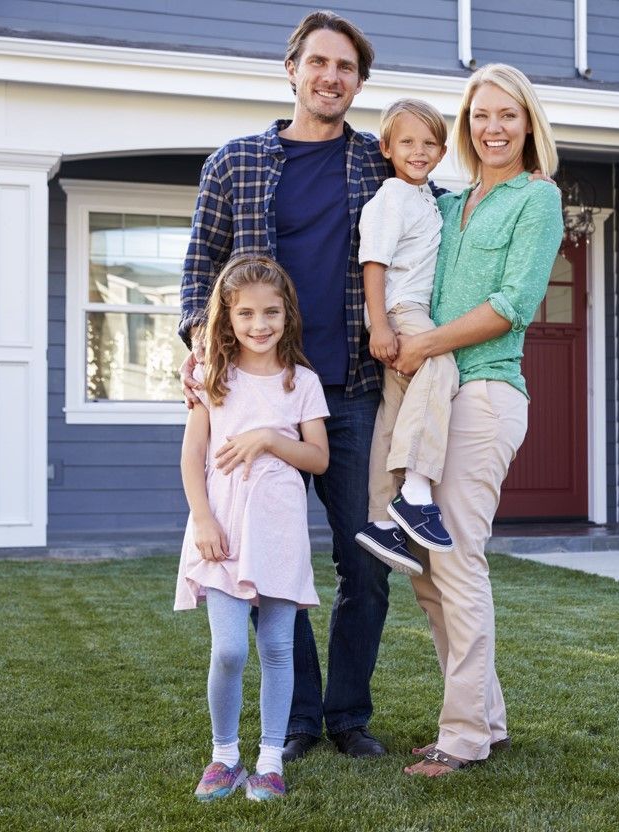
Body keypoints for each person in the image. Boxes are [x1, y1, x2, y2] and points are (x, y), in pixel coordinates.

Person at [179, 10, 395, 761]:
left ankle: (348, 715)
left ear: (359, 82)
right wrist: (197, 350)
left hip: (355, 388)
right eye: (319, 63)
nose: (331, 77)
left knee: (363, 559)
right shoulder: (234, 163)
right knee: (275, 558)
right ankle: (297, 718)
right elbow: (198, 274)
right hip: (259, 391)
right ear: (292, 69)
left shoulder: (378, 165)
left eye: (346, 68)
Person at [390, 64, 564, 777]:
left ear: (529, 124)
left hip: (486, 395)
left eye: (508, 115)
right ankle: (486, 720)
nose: (493, 128)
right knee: (429, 572)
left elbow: (511, 305)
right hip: (436, 397)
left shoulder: (538, 198)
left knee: (457, 560)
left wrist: (423, 343)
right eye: (481, 115)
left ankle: (460, 737)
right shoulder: (452, 201)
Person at [175, 255, 329, 802]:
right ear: (227, 318)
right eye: (246, 314)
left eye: (271, 312)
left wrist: (267, 437)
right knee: (230, 652)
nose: (259, 325)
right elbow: (193, 457)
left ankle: (268, 761)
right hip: (223, 530)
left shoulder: (302, 382)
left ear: (287, 314)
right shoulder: (214, 379)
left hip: (280, 531)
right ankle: (224, 756)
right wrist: (203, 518)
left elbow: (317, 458)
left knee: (279, 648)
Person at [355, 98, 462, 576]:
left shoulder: (427, 198)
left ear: (440, 151)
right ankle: (416, 492)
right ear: (386, 148)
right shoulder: (392, 197)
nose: (418, 151)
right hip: (402, 310)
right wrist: (380, 324)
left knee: (393, 411)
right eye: (407, 142)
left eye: (429, 143)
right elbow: (373, 262)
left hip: (406, 311)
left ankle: (380, 519)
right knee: (440, 364)